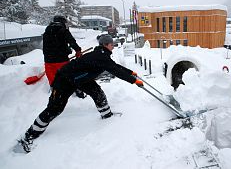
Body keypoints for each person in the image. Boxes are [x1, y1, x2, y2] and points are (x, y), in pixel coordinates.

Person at [15, 34, 143, 153]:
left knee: (97, 93)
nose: (113, 46)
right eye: (112, 44)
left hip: (80, 78)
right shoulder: (101, 56)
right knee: (55, 108)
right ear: (106, 45)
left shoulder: (102, 54)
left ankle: (107, 115)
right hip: (65, 79)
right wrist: (133, 81)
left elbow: (114, 66)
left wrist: (130, 72)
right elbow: (115, 70)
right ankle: (29, 135)